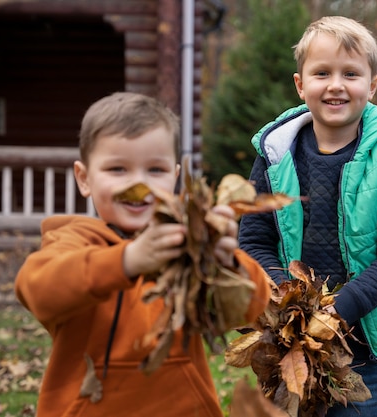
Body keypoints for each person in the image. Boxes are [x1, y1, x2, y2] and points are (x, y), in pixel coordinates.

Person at [15, 92, 271, 417]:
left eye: (155, 169)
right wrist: (128, 260)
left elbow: (251, 311)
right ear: (84, 178)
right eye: (118, 169)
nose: (139, 183)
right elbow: (38, 289)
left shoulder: (186, 246)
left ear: (175, 177)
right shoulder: (74, 241)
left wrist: (227, 264)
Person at [238, 16, 377, 417]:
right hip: (288, 344)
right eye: (322, 73)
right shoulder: (275, 155)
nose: (336, 84)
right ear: (301, 84)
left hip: (360, 346)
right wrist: (290, 301)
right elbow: (253, 240)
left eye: (350, 73)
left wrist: (340, 309)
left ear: (371, 86)